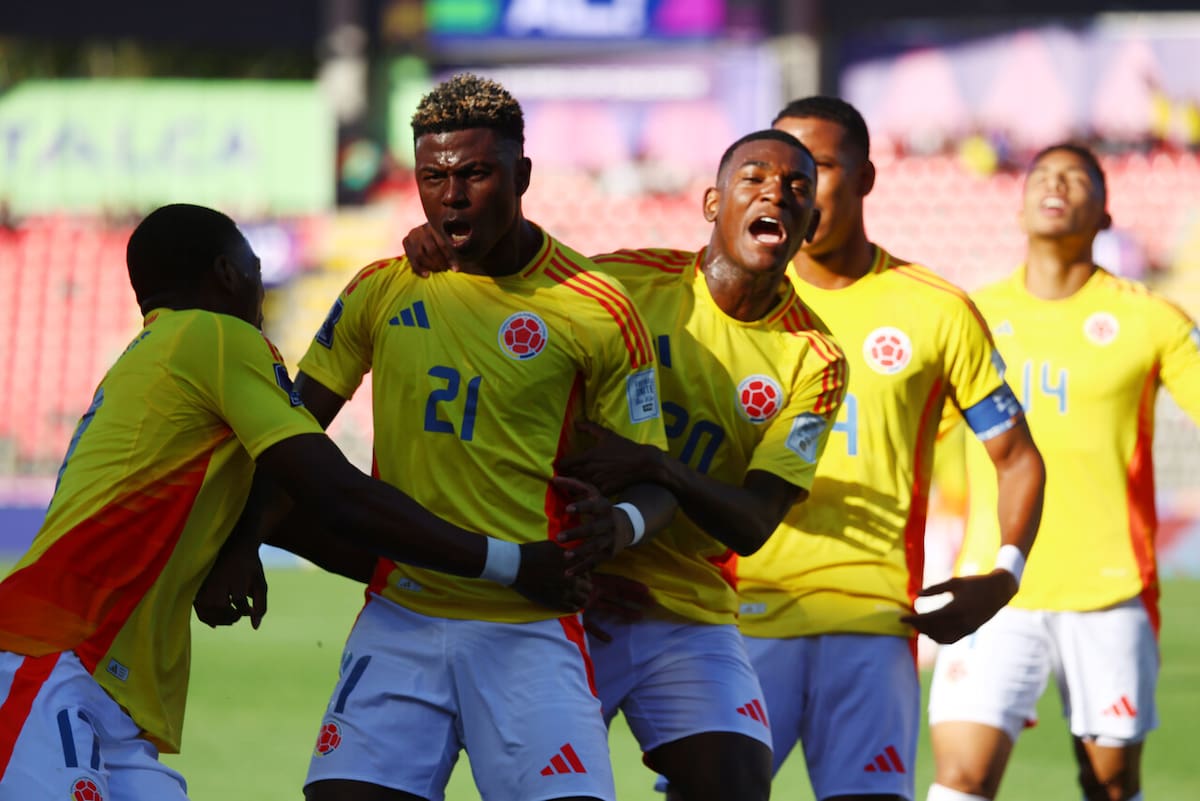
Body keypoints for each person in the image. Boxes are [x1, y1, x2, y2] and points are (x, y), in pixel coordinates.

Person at [0, 203, 601, 800]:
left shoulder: (160, 357)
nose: (262, 287)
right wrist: (515, 565)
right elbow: (336, 494)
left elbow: (291, 519)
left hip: (106, 690)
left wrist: (250, 547)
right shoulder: (220, 338)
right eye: (255, 268)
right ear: (227, 274)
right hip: (48, 658)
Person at [405, 128, 850, 801]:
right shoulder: (625, 281)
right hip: (567, 591)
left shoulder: (816, 358)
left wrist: (655, 464)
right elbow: (512, 284)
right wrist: (445, 245)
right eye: (755, 177)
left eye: (796, 189)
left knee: (736, 785)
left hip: (684, 606)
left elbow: (755, 521)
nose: (777, 195)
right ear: (712, 202)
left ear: (810, 224)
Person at [294, 73, 676, 801]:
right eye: (433, 177)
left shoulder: (595, 307)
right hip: (400, 617)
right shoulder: (381, 287)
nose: (453, 196)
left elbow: (653, 478)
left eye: (475, 173)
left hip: (529, 624)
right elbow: (290, 436)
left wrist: (618, 530)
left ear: (521, 174)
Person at [730, 96, 1046, 801]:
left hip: (871, 624)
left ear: (868, 178)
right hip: (735, 620)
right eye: (775, 171)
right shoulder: (726, 302)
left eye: (816, 168)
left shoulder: (935, 310)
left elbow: (1017, 455)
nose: (791, 189)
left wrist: (1005, 574)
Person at [925, 144, 1200, 801]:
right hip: (989, 586)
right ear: (1018, 208)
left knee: (1109, 785)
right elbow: (911, 429)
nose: (1057, 185)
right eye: (1042, 175)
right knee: (961, 779)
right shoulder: (968, 315)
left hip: (1109, 586)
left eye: (1077, 178)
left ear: (1106, 213)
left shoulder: (1151, 317)